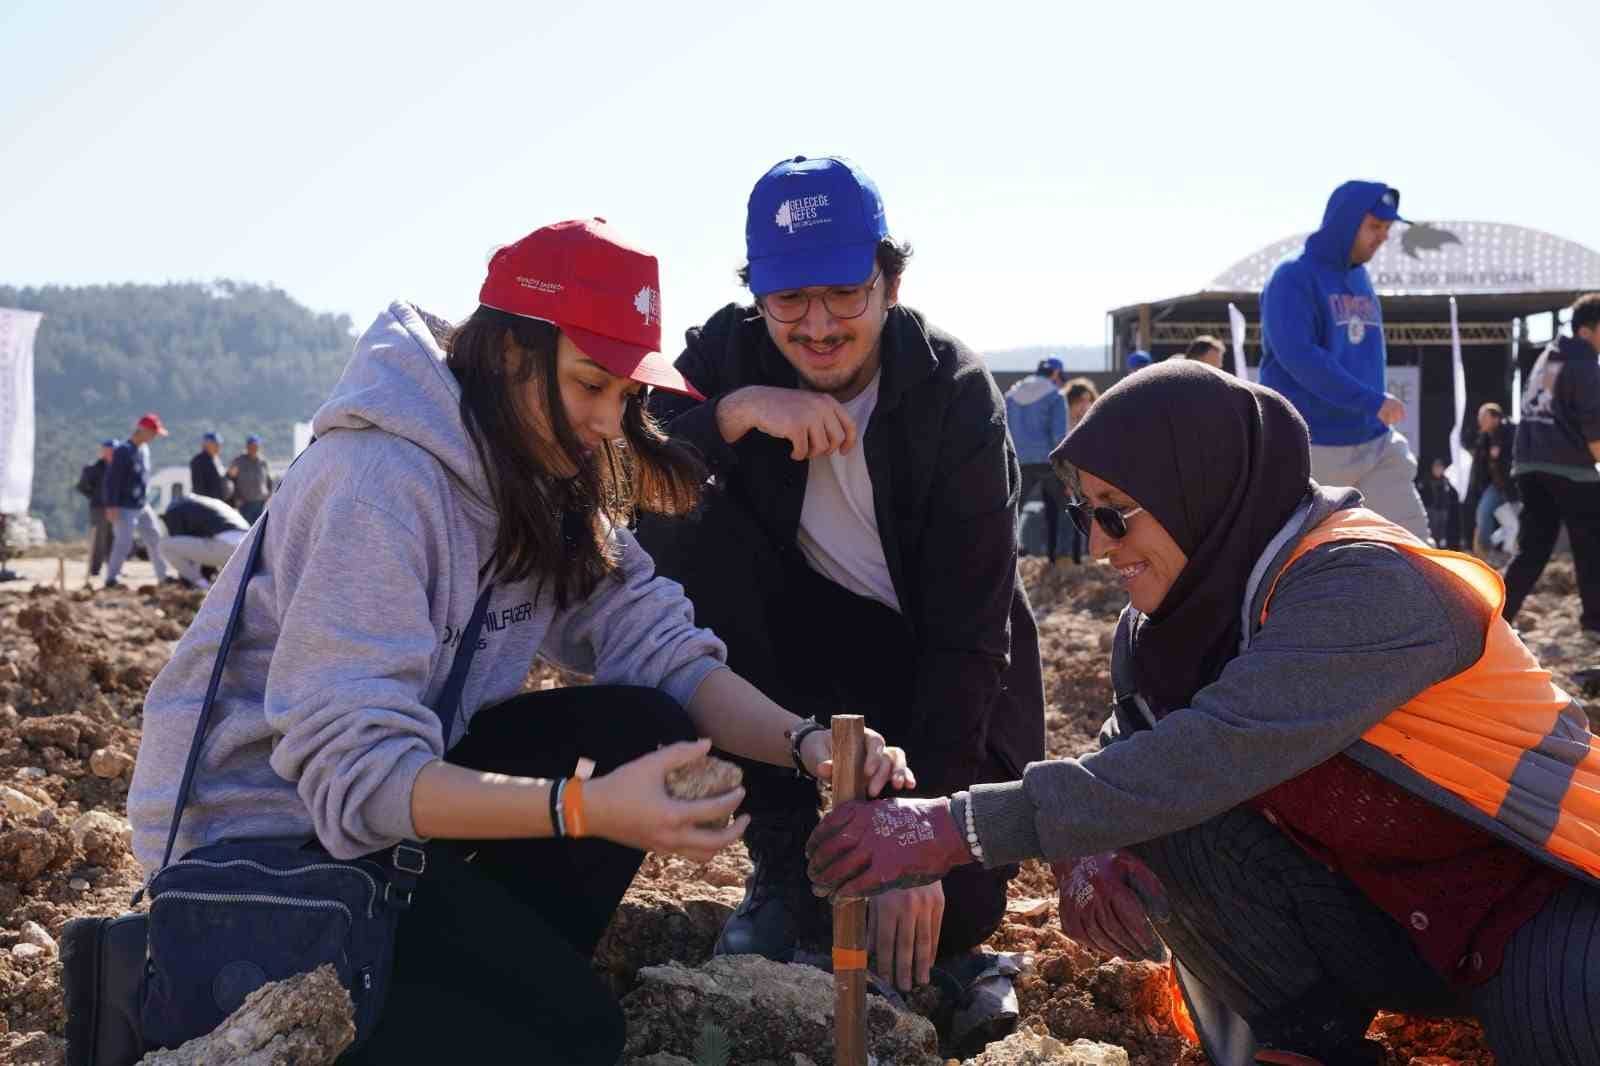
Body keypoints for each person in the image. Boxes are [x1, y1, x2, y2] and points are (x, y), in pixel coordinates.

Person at [126, 220, 911, 1066]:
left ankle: (493, 976)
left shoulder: (544, 476)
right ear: (509, 355)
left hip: (392, 834)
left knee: (637, 723)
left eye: (626, 395)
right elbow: (355, 776)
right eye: (589, 386)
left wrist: (806, 747)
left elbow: (667, 653)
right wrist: (590, 810)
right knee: (575, 1035)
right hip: (265, 857)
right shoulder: (378, 485)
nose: (609, 424)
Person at [806, 360, 1600, 1066]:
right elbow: (1134, 755)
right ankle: (1309, 1039)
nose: (1097, 546)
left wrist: (950, 828)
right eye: (1086, 513)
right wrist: (1088, 851)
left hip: (1531, 902)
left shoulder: (1365, 582)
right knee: (1152, 808)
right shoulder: (1159, 631)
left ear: (1202, 490)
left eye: (1117, 513)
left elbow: (1213, 751)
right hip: (1388, 920)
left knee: (1557, 1029)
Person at [638, 155, 1044, 1047]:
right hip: (797, 656)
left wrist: (923, 834)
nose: (818, 327)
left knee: (953, 913)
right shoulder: (726, 356)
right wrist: (738, 410)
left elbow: (972, 639)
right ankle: (783, 867)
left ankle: (951, 943)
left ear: (890, 283)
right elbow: (632, 470)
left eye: (844, 295)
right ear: (758, 297)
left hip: (943, 664)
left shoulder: (953, 392)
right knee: (687, 540)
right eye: (789, 301)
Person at [1260, 181, 1432, 541]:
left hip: (1374, 442)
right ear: (1345, 222)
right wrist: (1370, 400)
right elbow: (1300, 357)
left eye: (1387, 229)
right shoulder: (1292, 277)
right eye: (1374, 226)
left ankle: (1439, 599)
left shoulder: (1360, 276)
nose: (1383, 237)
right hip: (1311, 449)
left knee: (1416, 551)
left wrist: (1372, 408)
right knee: (1294, 563)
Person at [1501, 292, 1600, 637]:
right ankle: (1594, 623)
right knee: (1592, 546)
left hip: (1530, 462)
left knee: (1532, 549)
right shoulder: (1584, 359)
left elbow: (1544, 409)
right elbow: (1592, 424)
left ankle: (1497, 617)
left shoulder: (1550, 355)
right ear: (1589, 330)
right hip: (1569, 466)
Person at [1005, 357, 1072, 564]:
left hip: (1019, 461)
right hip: (1048, 462)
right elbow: (1059, 437)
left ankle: (1010, 557)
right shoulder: (1055, 396)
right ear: (1055, 374)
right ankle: (1062, 558)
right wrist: (1068, 471)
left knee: (1012, 510)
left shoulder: (1011, 396)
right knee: (1066, 508)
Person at [101, 413, 171, 589]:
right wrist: (112, 505)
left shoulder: (143, 450)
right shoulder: (123, 451)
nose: (155, 437)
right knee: (123, 542)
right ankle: (111, 578)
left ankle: (163, 576)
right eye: (153, 432)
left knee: (154, 536)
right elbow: (112, 480)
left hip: (141, 504)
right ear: (144, 430)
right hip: (124, 506)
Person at [159, 492, 250, 590]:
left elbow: (186, 551)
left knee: (165, 546)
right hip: (249, 548)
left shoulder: (175, 510)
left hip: (228, 548)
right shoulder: (210, 502)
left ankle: (202, 586)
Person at [1466, 403, 1515, 557]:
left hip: (1515, 486)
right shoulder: (1484, 439)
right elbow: (1480, 467)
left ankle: (1505, 553)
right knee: (1483, 512)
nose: (1480, 421)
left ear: (1496, 418)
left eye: (1484, 418)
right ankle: (1486, 551)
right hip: (1496, 486)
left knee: (1514, 525)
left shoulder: (1512, 433)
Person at [75, 439, 116, 579]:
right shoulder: (93, 468)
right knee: (98, 538)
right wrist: (95, 496)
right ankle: (94, 569)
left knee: (114, 537)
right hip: (98, 508)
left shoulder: (118, 468)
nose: (110, 453)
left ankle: (114, 568)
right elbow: (82, 487)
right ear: (103, 451)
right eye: (108, 450)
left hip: (115, 507)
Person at [1416, 457, 1461, 551]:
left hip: (1443, 510)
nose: (1438, 470)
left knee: (1442, 533)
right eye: (1436, 468)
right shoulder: (1426, 480)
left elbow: (1453, 493)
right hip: (1431, 510)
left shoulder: (1446, 481)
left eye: (1440, 468)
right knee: (1432, 531)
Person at [227, 434, 274, 522]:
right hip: (245, 503)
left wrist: (269, 496)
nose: (253, 448)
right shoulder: (238, 461)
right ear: (247, 447)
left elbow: (269, 480)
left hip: (261, 502)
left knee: (260, 529)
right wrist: (235, 499)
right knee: (247, 529)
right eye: (251, 446)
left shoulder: (263, 462)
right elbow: (230, 480)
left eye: (256, 446)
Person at [189, 431, 232, 502]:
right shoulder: (198, 461)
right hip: (207, 504)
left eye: (219, 444)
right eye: (216, 444)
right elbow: (199, 487)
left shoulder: (216, 459)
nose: (219, 447)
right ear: (206, 445)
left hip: (219, 502)